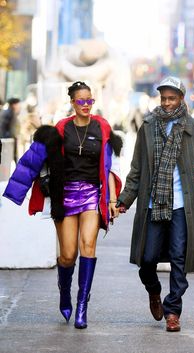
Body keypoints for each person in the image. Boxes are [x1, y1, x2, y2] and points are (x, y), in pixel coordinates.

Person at [117, 76, 194, 332]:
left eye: (172, 98)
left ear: (181, 99)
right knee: (147, 260)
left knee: (179, 258)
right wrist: (125, 200)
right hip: (154, 203)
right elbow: (136, 170)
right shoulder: (148, 127)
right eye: (164, 98)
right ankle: (154, 291)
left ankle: (173, 311)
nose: (167, 103)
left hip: (183, 206)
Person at [3, 81, 123, 329]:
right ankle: (65, 291)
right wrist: (16, 190)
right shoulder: (61, 128)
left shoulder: (102, 128)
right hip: (65, 194)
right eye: (81, 101)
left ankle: (82, 306)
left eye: (90, 100)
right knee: (68, 255)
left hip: (92, 194)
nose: (86, 105)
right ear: (72, 103)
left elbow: (109, 167)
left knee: (88, 245)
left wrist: (112, 200)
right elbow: (33, 160)